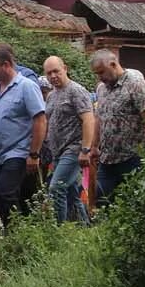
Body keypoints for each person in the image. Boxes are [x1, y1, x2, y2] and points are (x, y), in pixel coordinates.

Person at [0, 43, 48, 232]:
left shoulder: (26, 86)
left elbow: (40, 120)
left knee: (4, 193)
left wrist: (34, 154)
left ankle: (15, 237)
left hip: (17, 152)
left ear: (6, 65)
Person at [89, 49, 145, 207]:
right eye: (97, 74)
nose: (100, 77)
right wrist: (94, 146)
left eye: (101, 72)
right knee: (103, 203)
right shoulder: (101, 89)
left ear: (113, 64)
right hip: (107, 159)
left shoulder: (136, 84)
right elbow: (99, 118)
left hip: (132, 158)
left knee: (135, 206)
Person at [42, 55, 95, 224]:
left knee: (57, 188)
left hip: (74, 149)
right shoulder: (51, 95)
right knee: (72, 192)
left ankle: (58, 231)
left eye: (56, 71)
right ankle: (86, 227)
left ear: (65, 68)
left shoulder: (76, 91)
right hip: (57, 151)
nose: (53, 76)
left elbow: (88, 119)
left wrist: (85, 150)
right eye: (49, 73)